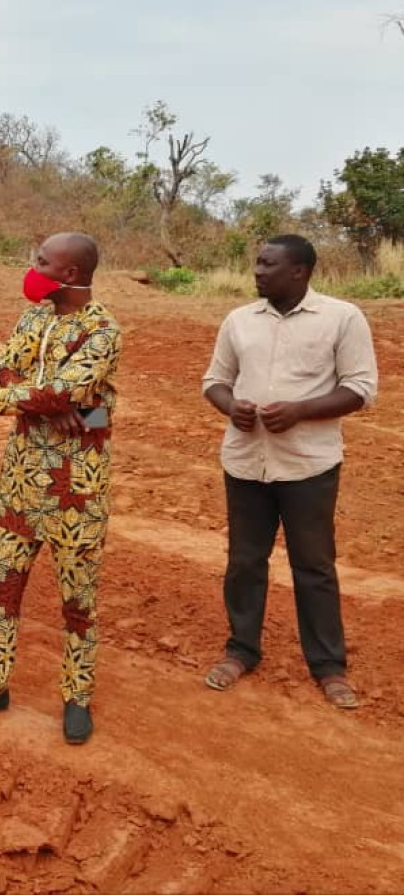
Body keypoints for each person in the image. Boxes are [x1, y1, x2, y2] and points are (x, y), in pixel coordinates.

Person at [0, 232, 120, 745]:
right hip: (20, 483)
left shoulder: (102, 329)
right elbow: (11, 375)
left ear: (71, 274)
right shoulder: (32, 319)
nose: (33, 269)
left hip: (77, 490)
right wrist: (52, 407)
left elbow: (78, 397)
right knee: (2, 588)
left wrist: (15, 400)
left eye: (42, 262)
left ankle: (77, 696)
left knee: (78, 599)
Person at [201, 234, 377, 708]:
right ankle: (241, 650)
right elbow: (215, 381)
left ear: (299, 271)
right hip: (245, 462)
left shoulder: (342, 318)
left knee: (314, 566)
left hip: (308, 465)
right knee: (244, 561)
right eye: (257, 263)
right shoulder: (239, 320)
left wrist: (301, 410)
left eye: (267, 264)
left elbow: (360, 388)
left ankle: (328, 666)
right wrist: (230, 406)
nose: (257, 271)